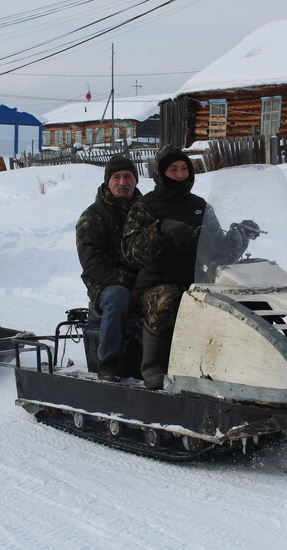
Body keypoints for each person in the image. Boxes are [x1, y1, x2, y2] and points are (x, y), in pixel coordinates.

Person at [122, 146, 258, 389]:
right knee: (168, 300)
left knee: (237, 299)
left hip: (197, 278)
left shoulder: (200, 205)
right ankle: (153, 368)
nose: (180, 174)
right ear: (161, 173)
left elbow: (218, 251)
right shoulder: (145, 206)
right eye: (173, 169)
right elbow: (132, 253)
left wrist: (240, 235)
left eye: (184, 168)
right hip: (157, 282)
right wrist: (161, 230)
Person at [75, 156, 143, 380]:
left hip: (144, 282)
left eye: (128, 177)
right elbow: (93, 262)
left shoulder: (147, 212)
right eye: (116, 177)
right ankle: (108, 361)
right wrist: (130, 285)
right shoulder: (94, 215)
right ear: (107, 182)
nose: (122, 182)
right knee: (118, 297)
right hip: (105, 285)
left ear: (135, 181)